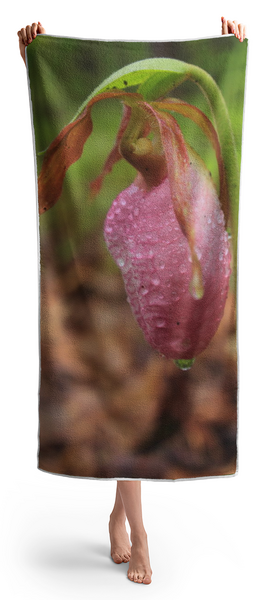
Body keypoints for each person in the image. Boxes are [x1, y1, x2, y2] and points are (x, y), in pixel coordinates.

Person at [17, 17, 246, 585]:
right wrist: (36, 64)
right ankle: (138, 534)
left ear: (159, 135)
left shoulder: (180, 156)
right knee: (131, 419)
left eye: (135, 143)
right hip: (125, 334)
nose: (128, 151)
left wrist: (235, 50)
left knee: (133, 418)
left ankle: (121, 519)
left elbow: (208, 216)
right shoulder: (144, 198)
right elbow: (65, 133)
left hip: (162, 312)